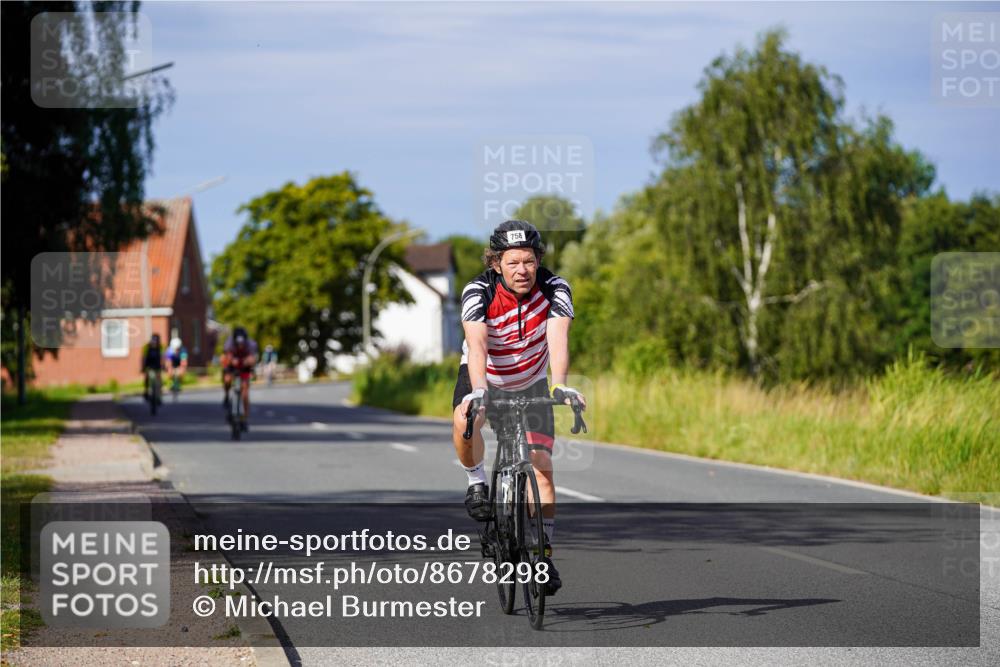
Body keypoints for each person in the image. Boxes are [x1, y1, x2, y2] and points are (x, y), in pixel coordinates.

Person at [452, 219, 586, 596]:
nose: (522, 270)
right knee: (466, 416)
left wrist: (559, 385)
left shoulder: (555, 288)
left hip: (531, 381)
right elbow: (477, 346)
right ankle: (476, 481)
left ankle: (542, 557)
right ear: (496, 263)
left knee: (542, 467)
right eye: (512, 262)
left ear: (538, 260)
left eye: (528, 261)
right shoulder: (478, 291)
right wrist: (479, 392)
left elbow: (558, 339)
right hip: (487, 376)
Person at [220, 326, 258, 431]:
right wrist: (230, 360)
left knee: (245, 393)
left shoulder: (251, 344)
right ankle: (227, 395)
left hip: (245, 368)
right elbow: (224, 357)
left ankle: (244, 419)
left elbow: (253, 359)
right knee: (227, 379)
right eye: (238, 344)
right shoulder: (229, 343)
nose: (240, 345)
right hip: (232, 367)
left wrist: (248, 362)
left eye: (242, 343)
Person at [141, 333, 164, 403]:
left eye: (156, 340)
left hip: (157, 366)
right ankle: (146, 391)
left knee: (159, 381)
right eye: (153, 340)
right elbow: (143, 358)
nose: (154, 342)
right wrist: (143, 367)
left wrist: (164, 366)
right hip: (149, 366)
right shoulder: (147, 347)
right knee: (147, 377)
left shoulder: (160, 347)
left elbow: (163, 357)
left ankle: (159, 396)